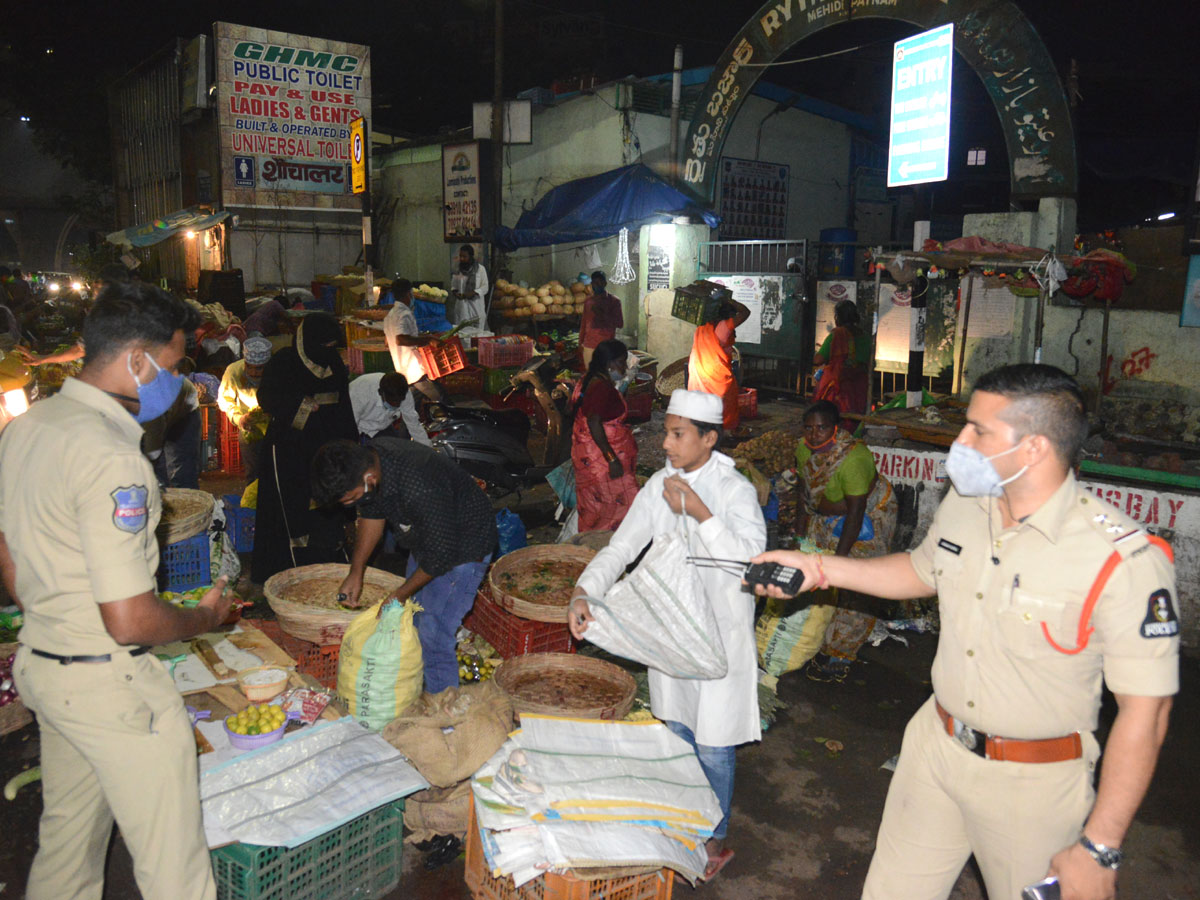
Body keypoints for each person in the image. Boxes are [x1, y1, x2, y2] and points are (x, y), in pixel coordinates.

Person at [748, 364, 1178, 900]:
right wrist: (819, 570)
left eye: (978, 429)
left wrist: (1100, 845)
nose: (960, 441)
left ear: (1035, 448)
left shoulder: (1121, 558)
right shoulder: (968, 506)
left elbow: (1148, 711)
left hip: (1033, 782)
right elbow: (919, 571)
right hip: (934, 747)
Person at [0, 281, 233, 900]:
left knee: (68, 846)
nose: (177, 381)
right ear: (137, 360)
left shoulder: (30, 426)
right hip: (111, 686)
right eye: (175, 364)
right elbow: (130, 620)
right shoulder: (112, 458)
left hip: (47, 667)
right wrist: (202, 619)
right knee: (175, 869)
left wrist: (57, 616)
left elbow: (8, 550)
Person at [569, 390, 766, 882]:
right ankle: (682, 822)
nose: (667, 443)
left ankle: (713, 839)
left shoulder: (733, 489)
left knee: (715, 744)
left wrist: (701, 513)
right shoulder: (659, 484)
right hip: (670, 632)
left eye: (678, 434)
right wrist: (584, 591)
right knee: (677, 730)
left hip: (720, 637)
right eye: (667, 432)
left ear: (709, 438)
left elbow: (751, 560)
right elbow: (622, 547)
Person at [312, 438, 497, 694]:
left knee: (433, 637)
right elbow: (372, 513)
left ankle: (444, 717)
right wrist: (356, 571)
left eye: (349, 499)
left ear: (369, 478)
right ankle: (420, 689)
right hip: (429, 538)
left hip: (464, 547)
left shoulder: (418, 484)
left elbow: (440, 556)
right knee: (411, 621)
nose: (350, 506)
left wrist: (398, 594)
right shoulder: (371, 463)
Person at [792, 400, 897, 682]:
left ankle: (841, 651)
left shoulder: (853, 459)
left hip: (863, 520)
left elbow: (855, 513)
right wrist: (800, 535)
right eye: (809, 428)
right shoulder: (803, 449)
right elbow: (804, 492)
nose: (814, 435)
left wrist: (839, 560)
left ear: (835, 428)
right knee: (816, 580)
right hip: (825, 517)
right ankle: (820, 641)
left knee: (854, 586)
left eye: (822, 428)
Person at [250, 313, 357, 584]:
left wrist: (349, 445)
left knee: (325, 504)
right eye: (325, 345)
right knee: (290, 507)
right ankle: (285, 569)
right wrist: (303, 407)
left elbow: (344, 404)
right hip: (289, 448)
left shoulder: (332, 362)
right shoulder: (284, 361)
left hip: (326, 447)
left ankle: (323, 563)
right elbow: (267, 398)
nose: (329, 351)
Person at [570, 338, 638, 532]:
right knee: (621, 505)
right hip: (601, 459)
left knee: (598, 507)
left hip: (592, 456)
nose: (624, 367)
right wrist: (611, 458)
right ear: (609, 364)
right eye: (621, 362)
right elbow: (593, 422)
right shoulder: (601, 388)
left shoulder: (591, 380)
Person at [688, 292, 751, 431]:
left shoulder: (702, 325)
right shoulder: (724, 326)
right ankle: (723, 430)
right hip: (714, 373)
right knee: (726, 397)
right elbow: (746, 312)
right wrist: (728, 299)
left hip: (698, 369)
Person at [381, 278, 446, 404]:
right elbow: (400, 339)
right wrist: (428, 340)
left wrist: (420, 338)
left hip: (402, 369)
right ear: (408, 294)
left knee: (410, 407)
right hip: (414, 370)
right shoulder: (404, 313)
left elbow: (387, 342)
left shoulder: (389, 316)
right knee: (441, 399)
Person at [218, 335, 273, 483]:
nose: (254, 373)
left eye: (259, 369)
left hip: (273, 422)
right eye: (249, 367)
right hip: (248, 424)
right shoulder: (234, 371)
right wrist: (239, 418)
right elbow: (225, 400)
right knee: (253, 470)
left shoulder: (277, 372)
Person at [813, 299, 870, 415]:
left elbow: (818, 360)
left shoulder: (837, 335)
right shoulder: (865, 336)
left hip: (839, 385)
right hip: (860, 385)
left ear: (837, 317)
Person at [349, 371, 430, 445]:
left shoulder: (404, 393)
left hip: (383, 427)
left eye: (399, 401)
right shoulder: (360, 393)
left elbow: (413, 424)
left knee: (396, 452)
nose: (397, 405)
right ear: (381, 393)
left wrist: (428, 448)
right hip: (358, 427)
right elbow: (350, 425)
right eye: (394, 401)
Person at [579, 271, 623, 369]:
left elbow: (620, 323)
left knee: (604, 375)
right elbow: (583, 324)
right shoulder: (588, 302)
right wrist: (580, 342)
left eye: (599, 283)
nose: (597, 285)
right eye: (594, 283)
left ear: (605, 284)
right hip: (589, 345)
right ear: (591, 284)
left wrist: (602, 314)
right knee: (590, 375)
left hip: (606, 346)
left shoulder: (614, 301)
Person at [449, 245, 488, 327]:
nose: (462, 259)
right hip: (462, 309)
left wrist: (473, 293)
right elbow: (453, 286)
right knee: (462, 334)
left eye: (464, 256)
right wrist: (455, 293)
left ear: (471, 256)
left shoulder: (480, 270)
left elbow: (485, 287)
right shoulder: (457, 270)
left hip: (476, 308)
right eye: (460, 256)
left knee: (477, 335)